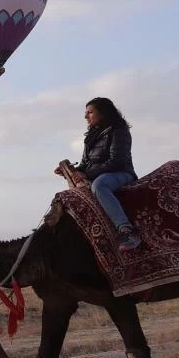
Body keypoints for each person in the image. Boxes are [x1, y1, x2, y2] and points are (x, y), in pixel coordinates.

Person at [58, 96, 141, 251]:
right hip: (99, 173)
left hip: (121, 173)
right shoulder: (91, 137)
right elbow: (85, 164)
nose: (85, 116)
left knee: (100, 185)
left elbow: (117, 161)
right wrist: (70, 171)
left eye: (90, 112)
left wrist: (87, 174)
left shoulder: (119, 131)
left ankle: (126, 230)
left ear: (103, 113)